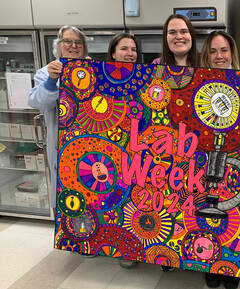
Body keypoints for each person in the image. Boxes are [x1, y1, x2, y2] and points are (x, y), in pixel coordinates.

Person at [28, 25, 88, 215]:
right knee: (67, 197)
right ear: (58, 45)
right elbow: (37, 102)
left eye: (78, 42)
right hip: (62, 146)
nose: (73, 46)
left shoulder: (92, 68)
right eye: (67, 41)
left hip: (90, 144)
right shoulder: (46, 72)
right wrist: (52, 81)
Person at [199, 31, 240, 289]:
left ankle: (231, 268)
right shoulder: (197, 80)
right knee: (205, 212)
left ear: (231, 53)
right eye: (213, 51)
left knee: (233, 217)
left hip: (235, 152)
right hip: (205, 151)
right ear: (206, 55)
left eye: (224, 50)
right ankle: (209, 265)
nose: (219, 56)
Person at [106, 32, 141, 269]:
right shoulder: (101, 77)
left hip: (138, 147)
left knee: (134, 198)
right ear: (112, 53)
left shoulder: (143, 76)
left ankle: (136, 245)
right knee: (115, 197)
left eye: (133, 49)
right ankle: (121, 247)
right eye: (124, 48)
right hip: (110, 145)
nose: (129, 53)